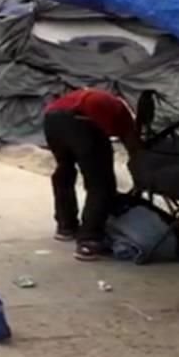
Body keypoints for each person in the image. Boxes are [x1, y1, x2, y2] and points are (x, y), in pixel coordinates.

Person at [43, 88, 140, 261]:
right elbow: (133, 146)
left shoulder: (98, 98)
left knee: (64, 171)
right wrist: (142, 172)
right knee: (101, 184)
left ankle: (66, 227)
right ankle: (89, 240)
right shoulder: (121, 111)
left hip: (51, 119)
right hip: (82, 121)